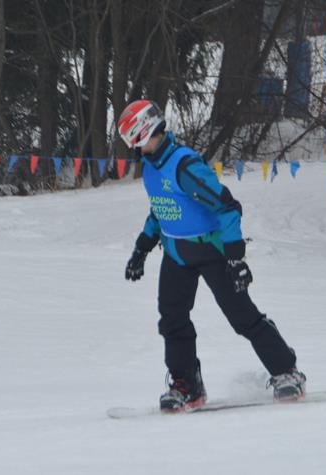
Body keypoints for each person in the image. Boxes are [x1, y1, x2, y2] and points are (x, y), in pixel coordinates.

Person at [118, 99, 306, 413]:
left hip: (211, 251)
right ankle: (186, 386)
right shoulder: (151, 167)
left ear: (144, 131)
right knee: (172, 320)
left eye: (131, 138)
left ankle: (287, 372)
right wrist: (142, 249)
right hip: (176, 254)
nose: (131, 145)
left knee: (242, 317)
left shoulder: (184, 166)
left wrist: (235, 258)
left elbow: (227, 208)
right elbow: (161, 210)